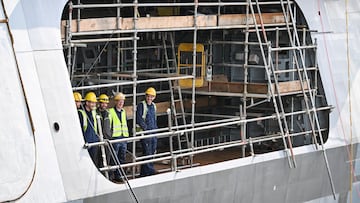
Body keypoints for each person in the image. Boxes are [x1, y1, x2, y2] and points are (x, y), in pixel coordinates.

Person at [136, 87, 158, 177]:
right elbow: (139, 119)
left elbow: (154, 119)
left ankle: (144, 172)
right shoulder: (142, 105)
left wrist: (156, 130)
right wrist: (145, 129)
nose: (149, 98)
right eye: (148, 96)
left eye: (151, 97)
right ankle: (150, 170)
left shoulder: (153, 106)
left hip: (153, 132)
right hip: (145, 132)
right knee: (147, 151)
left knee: (152, 151)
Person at [108, 92, 129, 180]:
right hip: (115, 138)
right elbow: (109, 125)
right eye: (119, 101)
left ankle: (119, 175)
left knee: (122, 157)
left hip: (123, 137)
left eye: (122, 101)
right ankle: (111, 175)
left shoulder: (124, 112)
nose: (121, 103)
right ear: (116, 102)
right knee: (114, 157)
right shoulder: (111, 112)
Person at [78, 92, 100, 167]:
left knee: (94, 164)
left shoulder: (94, 112)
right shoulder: (80, 113)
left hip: (94, 142)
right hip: (86, 143)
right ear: (87, 102)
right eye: (92, 103)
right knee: (85, 164)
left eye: (94, 103)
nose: (94, 105)